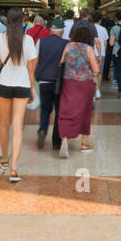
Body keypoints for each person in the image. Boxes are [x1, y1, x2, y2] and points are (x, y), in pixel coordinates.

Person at [0, 8, 37, 182]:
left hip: (5, 83)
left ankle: (4, 159)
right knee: (17, 126)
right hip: (23, 83)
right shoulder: (29, 40)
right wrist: (31, 88)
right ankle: (14, 168)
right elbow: (31, 68)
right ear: (22, 20)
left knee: (4, 123)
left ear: (7, 21)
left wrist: (2, 60)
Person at [57, 23, 100, 157]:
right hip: (84, 83)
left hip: (68, 82)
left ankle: (64, 140)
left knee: (66, 109)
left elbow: (61, 63)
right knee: (85, 112)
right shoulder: (88, 48)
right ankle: (84, 144)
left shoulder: (68, 46)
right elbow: (96, 70)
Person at [35, 15, 68, 150]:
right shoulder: (66, 43)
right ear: (62, 31)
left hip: (43, 80)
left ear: (50, 29)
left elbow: (36, 60)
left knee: (45, 108)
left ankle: (43, 129)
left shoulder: (41, 41)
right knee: (60, 111)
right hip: (59, 82)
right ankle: (56, 141)